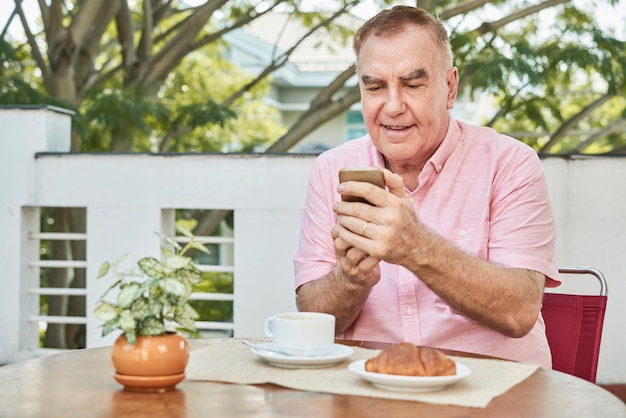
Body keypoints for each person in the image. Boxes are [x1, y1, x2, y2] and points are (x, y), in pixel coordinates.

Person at [293, 5, 560, 367]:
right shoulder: (331, 170)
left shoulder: (511, 164)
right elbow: (313, 315)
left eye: (413, 84)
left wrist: (415, 246)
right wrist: (352, 278)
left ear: (449, 88)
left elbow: (519, 311)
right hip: (368, 390)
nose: (392, 107)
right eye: (374, 86)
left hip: (493, 392)